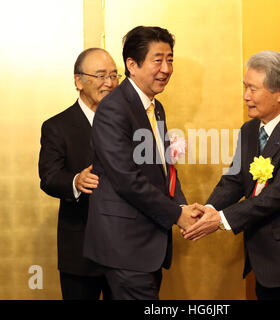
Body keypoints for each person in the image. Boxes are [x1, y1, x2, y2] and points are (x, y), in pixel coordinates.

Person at [184, 50, 280, 300]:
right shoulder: (249, 130)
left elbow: (273, 198)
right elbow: (234, 180)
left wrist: (220, 220)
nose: (246, 96)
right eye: (245, 87)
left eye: (253, 89)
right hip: (264, 263)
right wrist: (209, 209)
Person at [83, 26, 198, 300]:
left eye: (170, 59)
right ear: (131, 65)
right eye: (157, 60)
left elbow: (164, 167)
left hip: (147, 242)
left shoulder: (155, 106)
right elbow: (127, 179)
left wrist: (181, 205)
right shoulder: (113, 109)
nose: (166, 68)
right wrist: (176, 215)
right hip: (125, 243)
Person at [38, 48, 120, 299]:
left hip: (125, 250)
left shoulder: (129, 123)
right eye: (100, 75)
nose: (109, 83)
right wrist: (76, 180)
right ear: (78, 81)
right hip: (81, 249)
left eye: (114, 75)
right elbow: (49, 177)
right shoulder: (57, 126)